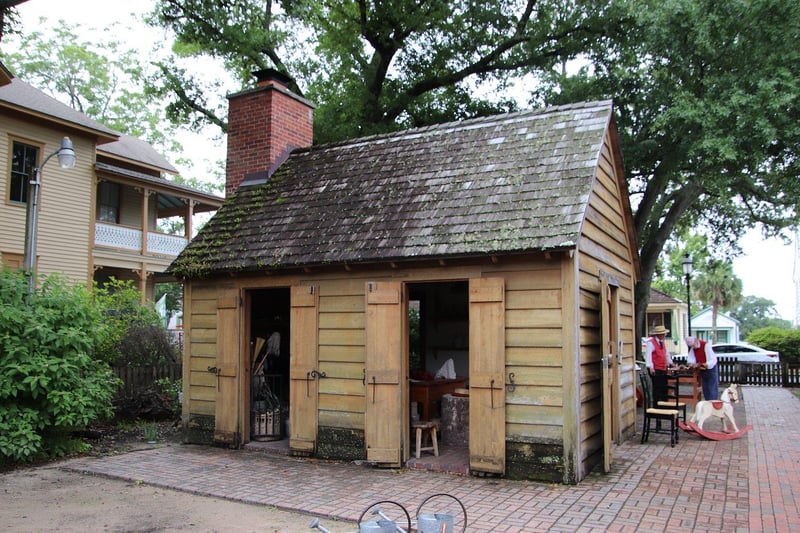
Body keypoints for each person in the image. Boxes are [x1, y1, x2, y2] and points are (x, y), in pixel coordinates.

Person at [644, 325, 673, 402]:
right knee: (657, 388)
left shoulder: (662, 342)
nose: (664, 335)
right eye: (663, 334)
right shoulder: (651, 343)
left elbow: (666, 354)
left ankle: (663, 405)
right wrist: (650, 367)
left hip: (662, 368)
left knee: (664, 387)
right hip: (655, 369)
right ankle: (656, 405)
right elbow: (648, 356)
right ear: (658, 335)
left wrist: (671, 362)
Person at [685, 336, 719, 400]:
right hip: (703, 370)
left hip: (711, 369)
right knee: (705, 389)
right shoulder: (693, 348)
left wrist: (707, 364)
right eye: (691, 346)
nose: (693, 347)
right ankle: (707, 403)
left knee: (712, 388)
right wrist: (690, 363)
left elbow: (712, 359)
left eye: (693, 345)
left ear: (696, 341)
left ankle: (713, 404)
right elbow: (691, 358)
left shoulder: (706, 345)